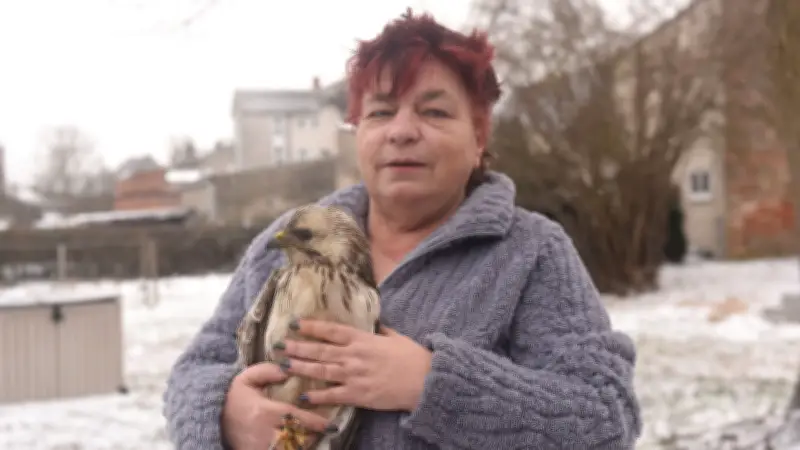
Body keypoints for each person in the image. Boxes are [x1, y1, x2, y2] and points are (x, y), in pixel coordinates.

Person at [163, 9, 642, 450]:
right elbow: (193, 373)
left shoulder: (530, 252)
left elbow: (604, 419)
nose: (401, 131)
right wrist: (225, 412)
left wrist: (430, 384)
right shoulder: (287, 241)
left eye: (434, 111)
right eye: (381, 112)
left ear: (479, 138)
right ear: (359, 134)